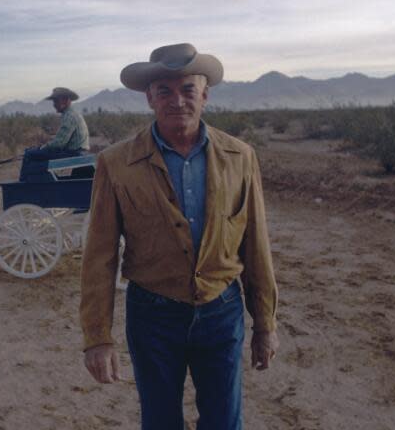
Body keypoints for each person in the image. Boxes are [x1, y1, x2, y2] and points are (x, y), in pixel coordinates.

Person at [80, 43, 279, 429]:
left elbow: (256, 245)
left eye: (188, 89)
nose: (177, 100)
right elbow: (99, 256)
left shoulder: (241, 157)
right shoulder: (117, 163)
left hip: (221, 310)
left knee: (224, 422)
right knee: (159, 421)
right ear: (149, 98)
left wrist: (265, 324)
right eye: (164, 91)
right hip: (152, 315)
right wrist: (97, 337)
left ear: (205, 94)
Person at [19, 87, 90, 182]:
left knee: (29, 154)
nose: (54, 104)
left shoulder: (70, 116)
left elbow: (59, 143)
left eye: (56, 101)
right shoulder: (72, 114)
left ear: (65, 100)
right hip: (77, 151)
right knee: (33, 152)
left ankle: (23, 186)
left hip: (74, 153)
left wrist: (43, 147)